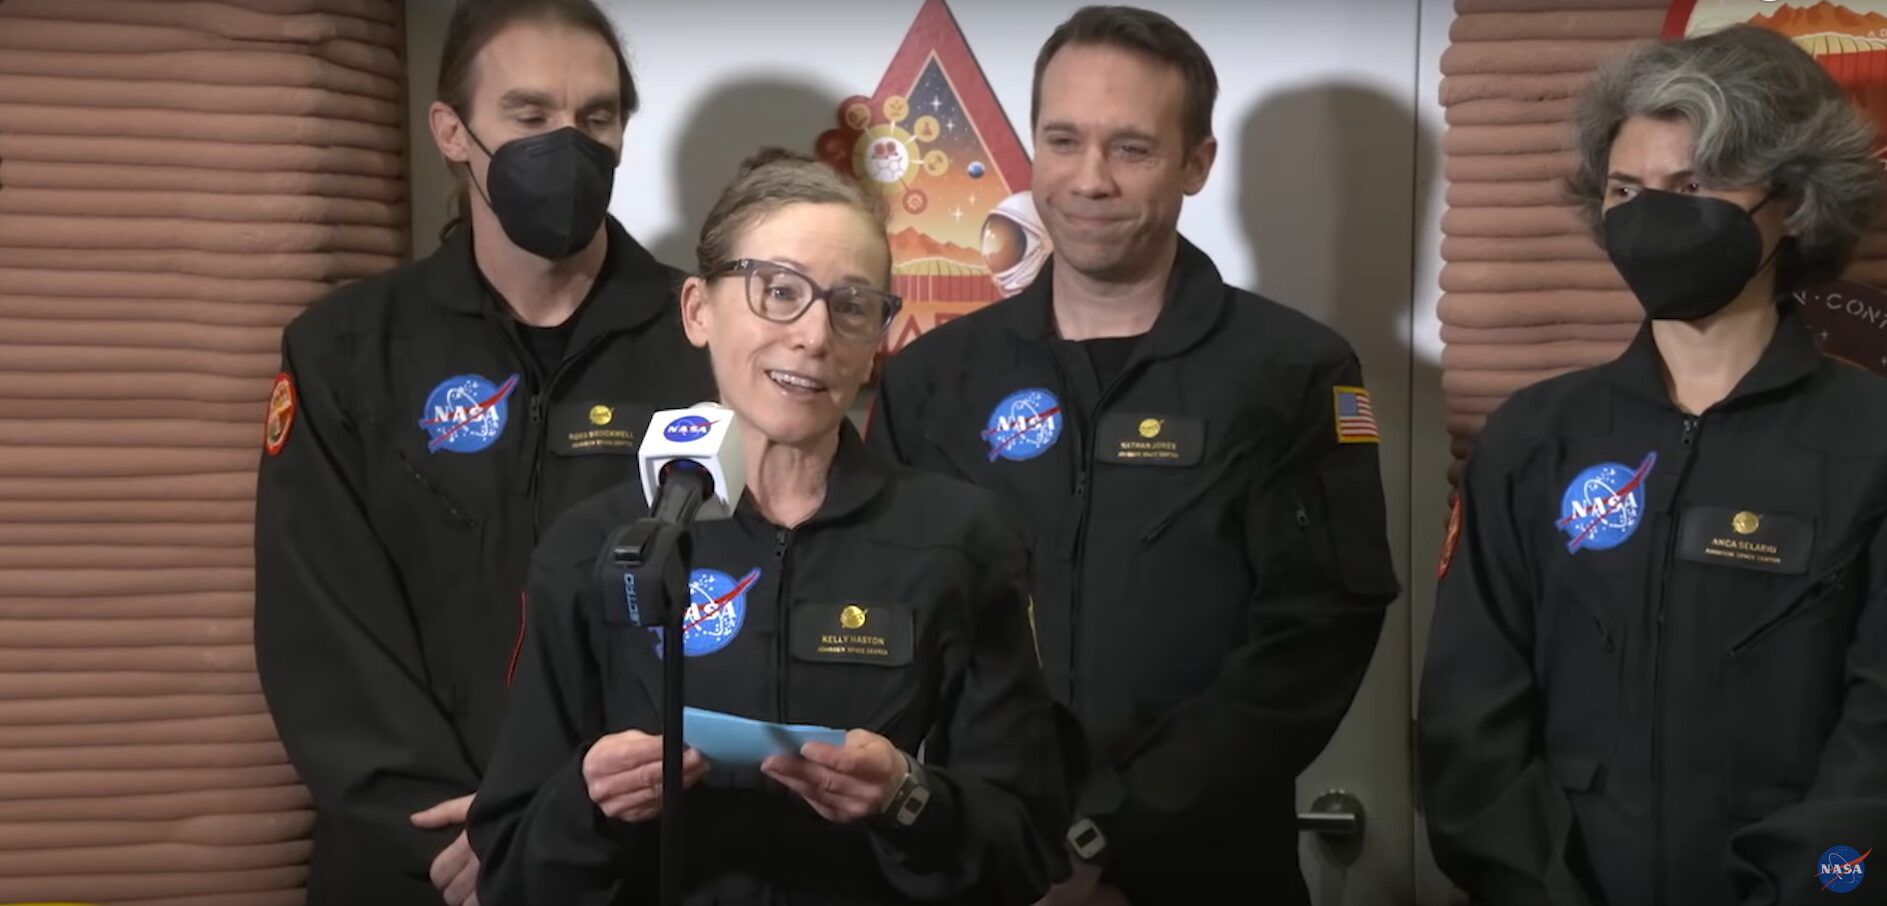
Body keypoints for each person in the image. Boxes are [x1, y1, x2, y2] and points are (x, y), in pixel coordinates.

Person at [867, 7, 1400, 904]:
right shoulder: (931, 379)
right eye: (1063, 140)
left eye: (1132, 149)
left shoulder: (1293, 373)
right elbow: (890, 619)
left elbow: (1311, 638)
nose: (1089, 180)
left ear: (1196, 164)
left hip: (1208, 870)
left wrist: (1109, 837)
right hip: (985, 866)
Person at [466, 148, 1080, 905]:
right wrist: (588, 803)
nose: (815, 335)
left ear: (877, 340)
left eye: (851, 305)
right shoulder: (598, 543)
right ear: (698, 310)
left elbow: (1024, 850)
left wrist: (908, 800)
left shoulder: (958, 540)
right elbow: (509, 869)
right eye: (779, 292)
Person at [252, 1, 714, 903]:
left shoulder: (704, 341)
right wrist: (444, 824)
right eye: (531, 117)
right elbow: (321, 618)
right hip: (416, 860)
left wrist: (569, 821)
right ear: (452, 133)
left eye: (597, 118)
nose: (568, 146)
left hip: (635, 854)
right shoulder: (346, 349)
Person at [1418, 24, 1887, 906]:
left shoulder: (1869, 440)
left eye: (1692, 186)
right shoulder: (1533, 437)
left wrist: (1820, 890)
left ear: (1789, 202)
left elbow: (1877, 747)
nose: (1649, 216)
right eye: (1625, 188)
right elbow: (1467, 720)